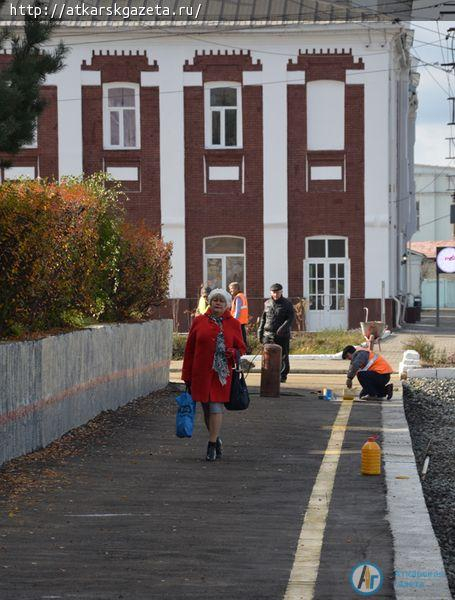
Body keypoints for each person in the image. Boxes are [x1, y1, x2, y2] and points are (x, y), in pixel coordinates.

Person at [182, 288, 246, 461]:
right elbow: (189, 350)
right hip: (200, 372)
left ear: (226, 305)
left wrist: (232, 352)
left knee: (216, 407)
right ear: (210, 302)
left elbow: (242, 347)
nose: (217, 303)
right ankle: (216, 439)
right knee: (206, 409)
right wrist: (186, 375)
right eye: (215, 300)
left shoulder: (233, 324)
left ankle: (211, 445)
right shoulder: (199, 321)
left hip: (221, 374)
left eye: (221, 301)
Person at [257, 283, 295, 383]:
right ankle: (268, 373)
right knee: (267, 356)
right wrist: (259, 333)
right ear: (271, 292)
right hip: (268, 334)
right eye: (274, 292)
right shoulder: (267, 303)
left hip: (282, 335)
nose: (276, 294)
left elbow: (290, 318)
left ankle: (283, 375)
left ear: (281, 292)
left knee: (283, 356)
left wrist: (282, 328)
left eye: (278, 292)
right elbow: (263, 319)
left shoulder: (287, 303)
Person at [228, 281, 249, 347]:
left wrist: (233, 321)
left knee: (239, 338)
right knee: (242, 338)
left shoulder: (238, 297)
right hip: (241, 321)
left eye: (232, 288)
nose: (230, 290)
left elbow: (237, 311)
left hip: (238, 322)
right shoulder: (242, 296)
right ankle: (244, 351)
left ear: (236, 288)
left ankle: (242, 352)